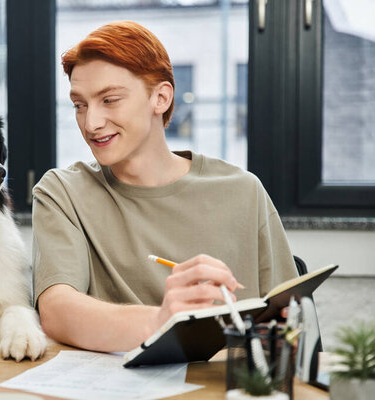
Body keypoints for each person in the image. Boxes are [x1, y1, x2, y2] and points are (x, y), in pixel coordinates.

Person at [32, 21, 297, 353]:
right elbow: (56, 312)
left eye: (109, 100)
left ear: (160, 97)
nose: (91, 123)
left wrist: (284, 334)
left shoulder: (244, 192)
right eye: (79, 104)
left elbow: (289, 322)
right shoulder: (62, 193)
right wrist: (161, 321)